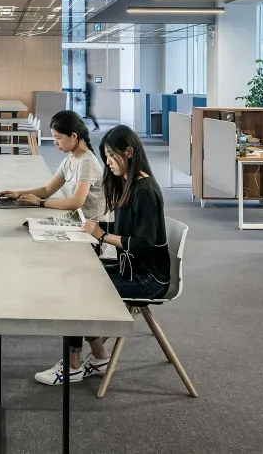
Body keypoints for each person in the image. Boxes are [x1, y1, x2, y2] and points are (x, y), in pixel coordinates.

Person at [37, 125, 170, 385]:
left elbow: (143, 244)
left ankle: (74, 365)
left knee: (77, 289)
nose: (107, 163)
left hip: (148, 278)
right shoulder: (130, 185)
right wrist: (90, 228)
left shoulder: (144, 190)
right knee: (76, 277)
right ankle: (99, 356)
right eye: (105, 156)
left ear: (129, 152)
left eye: (111, 156)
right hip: (131, 268)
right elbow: (125, 231)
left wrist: (101, 235)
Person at [0, 110, 106, 221]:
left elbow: (76, 203)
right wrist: (18, 194)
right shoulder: (70, 160)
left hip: (93, 228)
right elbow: (47, 190)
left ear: (74, 136)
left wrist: (39, 202)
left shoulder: (87, 163)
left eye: (58, 138)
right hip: (78, 220)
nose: (55, 143)